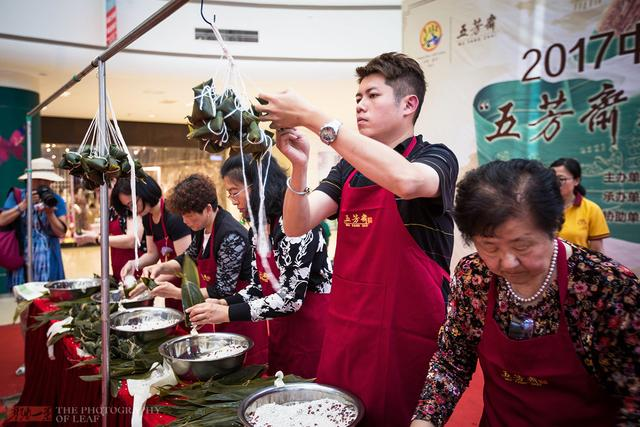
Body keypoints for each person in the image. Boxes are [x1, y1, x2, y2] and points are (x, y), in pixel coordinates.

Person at [255, 52, 458, 425]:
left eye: (372, 95)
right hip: (347, 330)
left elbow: (408, 181)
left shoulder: (436, 158)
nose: (361, 105)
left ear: (408, 104)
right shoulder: (349, 168)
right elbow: (297, 224)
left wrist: (314, 118)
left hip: (405, 337)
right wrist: (299, 169)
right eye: (358, 98)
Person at [411, 159, 639, 427]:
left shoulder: (607, 287)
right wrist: (424, 420)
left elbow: (633, 399)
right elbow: (453, 361)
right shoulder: (475, 275)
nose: (507, 262)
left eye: (522, 245)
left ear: (554, 227)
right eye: (490, 246)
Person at [187, 154, 332, 378]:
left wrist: (226, 313)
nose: (233, 200)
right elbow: (257, 287)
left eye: (235, 192)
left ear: (258, 187)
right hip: (281, 328)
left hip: (311, 329)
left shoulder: (297, 223)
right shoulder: (257, 229)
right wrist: (223, 301)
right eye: (229, 194)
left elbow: (290, 299)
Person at [130, 173, 268, 365]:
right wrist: (161, 267)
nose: (185, 222)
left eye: (188, 216)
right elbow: (188, 257)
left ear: (208, 209)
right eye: (183, 216)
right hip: (215, 310)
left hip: (239, 315)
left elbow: (223, 289)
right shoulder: (201, 229)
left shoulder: (230, 235)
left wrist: (178, 293)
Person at [111, 174, 191, 310]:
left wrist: (149, 283)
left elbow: (185, 264)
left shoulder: (173, 216)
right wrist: (134, 263)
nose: (132, 210)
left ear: (144, 192)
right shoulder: (148, 218)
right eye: (128, 207)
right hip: (169, 288)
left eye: (132, 204)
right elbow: (152, 254)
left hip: (188, 287)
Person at [0, 157, 67, 287]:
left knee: (48, 298)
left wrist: (50, 214)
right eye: (38, 179)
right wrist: (24, 205)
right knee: (24, 299)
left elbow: (61, 232)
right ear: (29, 180)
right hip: (22, 259)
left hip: (49, 259)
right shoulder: (17, 196)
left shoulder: (56, 199)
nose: (42, 183)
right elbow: (2, 220)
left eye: (46, 180)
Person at [75, 180, 145, 282]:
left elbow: (133, 240)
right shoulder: (112, 211)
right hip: (119, 273)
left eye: (100, 190)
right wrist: (90, 234)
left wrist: (97, 238)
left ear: (114, 183)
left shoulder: (129, 207)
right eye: (96, 192)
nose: (98, 196)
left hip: (136, 273)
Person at [550, 157, 609, 253]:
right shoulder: (541, 207)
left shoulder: (591, 209)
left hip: (578, 266)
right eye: (552, 179)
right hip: (546, 266)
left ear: (576, 180)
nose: (555, 183)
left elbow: (597, 250)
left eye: (561, 179)